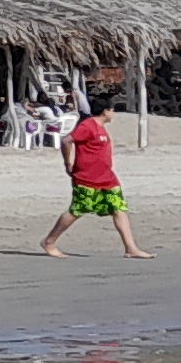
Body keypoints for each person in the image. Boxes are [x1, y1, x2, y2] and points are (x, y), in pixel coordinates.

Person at [38, 92, 147, 258]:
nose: (113, 114)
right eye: (112, 110)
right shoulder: (88, 125)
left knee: (119, 208)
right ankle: (49, 241)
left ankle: (131, 248)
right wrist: (68, 163)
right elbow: (67, 140)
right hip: (87, 178)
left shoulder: (100, 127)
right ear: (105, 111)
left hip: (107, 178)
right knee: (77, 210)